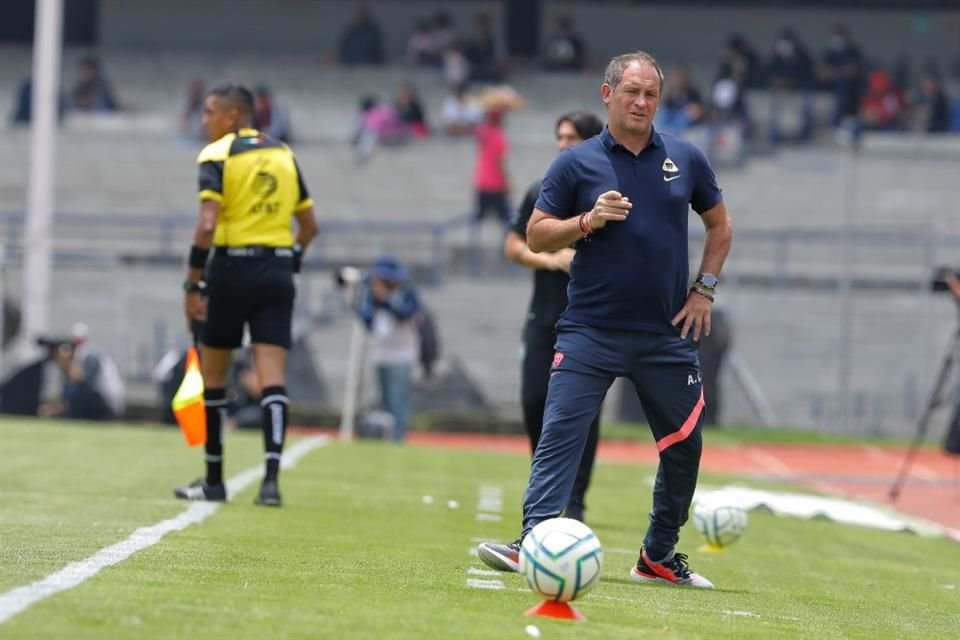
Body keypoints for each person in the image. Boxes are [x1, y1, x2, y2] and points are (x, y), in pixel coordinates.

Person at [477, 51, 733, 588]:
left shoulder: (686, 158)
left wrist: (704, 291)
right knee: (559, 436)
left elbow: (720, 226)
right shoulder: (575, 163)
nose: (641, 102)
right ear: (607, 93)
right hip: (589, 330)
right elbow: (537, 234)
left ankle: (658, 557)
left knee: (685, 450)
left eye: (651, 95)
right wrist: (589, 220)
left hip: (667, 335)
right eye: (631, 92)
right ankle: (533, 543)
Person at [175, 83, 318, 507]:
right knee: (273, 377)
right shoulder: (284, 154)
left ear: (232, 117)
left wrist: (193, 284)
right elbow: (309, 226)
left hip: (231, 269)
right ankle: (271, 483)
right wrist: (288, 261)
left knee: (215, 377)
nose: (205, 121)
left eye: (210, 112)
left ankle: (214, 481)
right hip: (276, 269)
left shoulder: (217, 155)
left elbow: (206, 224)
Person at [504, 110, 604, 522]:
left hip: (588, 320)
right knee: (533, 399)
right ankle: (545, 481)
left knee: (582, 410)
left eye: (574, 137)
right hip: (543, 317)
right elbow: (512, 246)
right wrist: (548, 258)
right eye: (560, 136)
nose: (564, 144)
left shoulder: (606, 196)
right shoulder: (543, 191)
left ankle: (576, 498)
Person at [353, 257, 422, 443]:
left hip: (402, 354)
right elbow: (366, 319)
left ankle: (398, 438)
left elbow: (404, 313)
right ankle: (386, 437)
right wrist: (362, 295)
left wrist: (385, 299)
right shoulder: (371, 294)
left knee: (397, 400)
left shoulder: (406, 292)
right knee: (384, 400)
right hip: (381, 354)